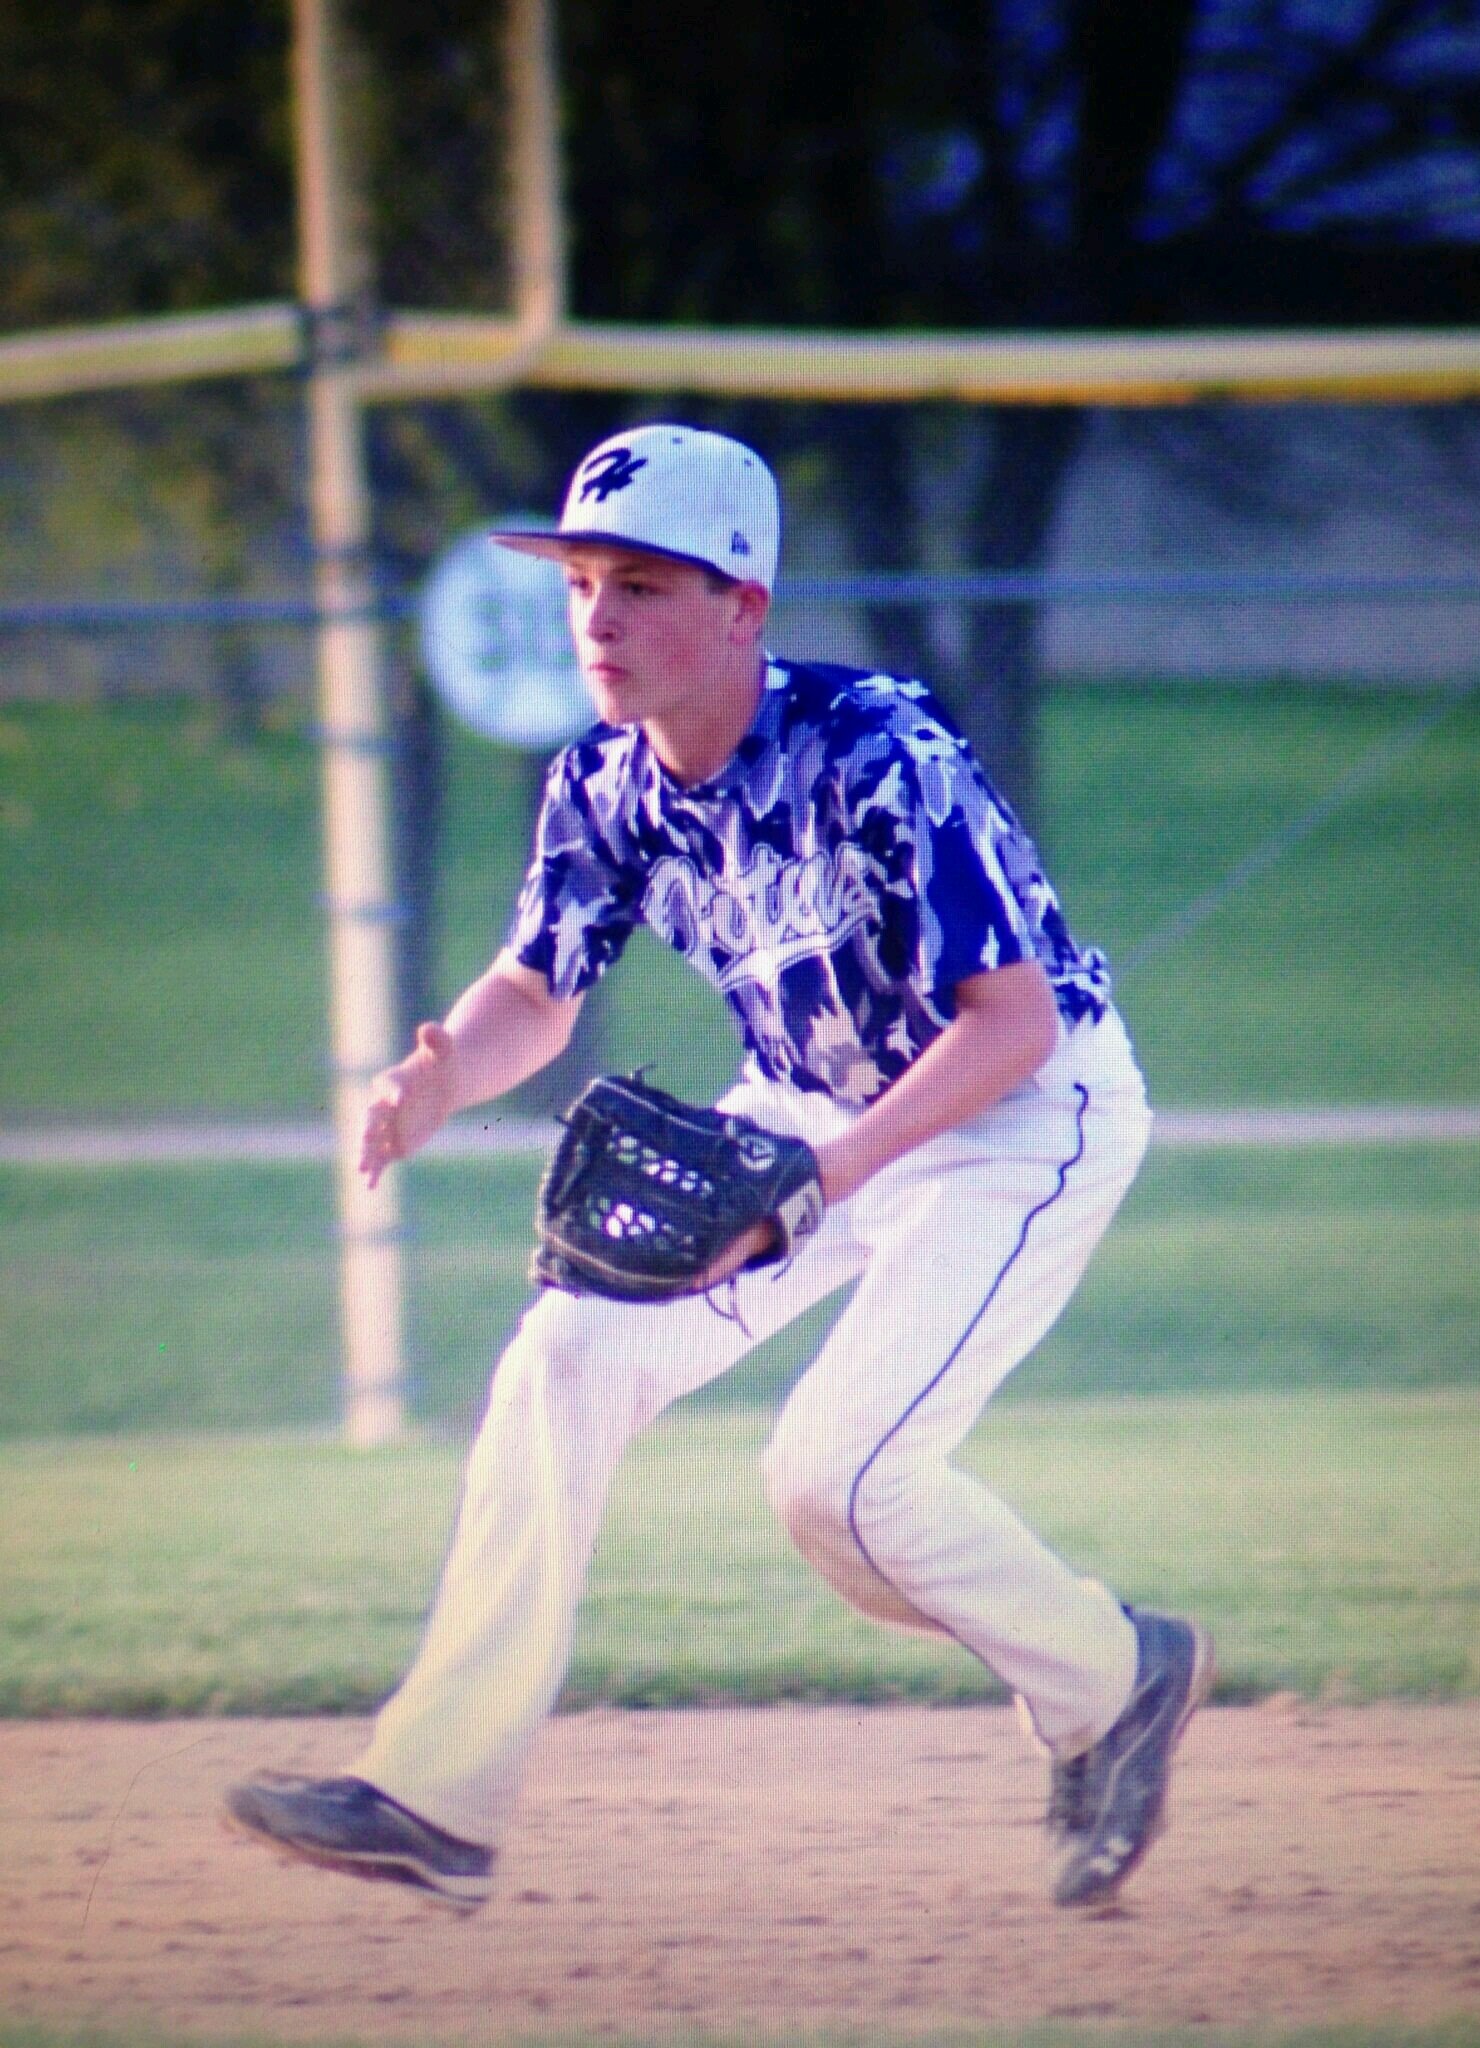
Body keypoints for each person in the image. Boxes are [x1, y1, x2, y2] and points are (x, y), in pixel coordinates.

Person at [226, 423, 1212, 1916]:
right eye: (581, 587)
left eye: (640, 585)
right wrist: (443, 1074)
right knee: (562, 1359)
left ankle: (1112, 1677)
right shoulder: (604, 789)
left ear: (742, 605)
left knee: (838, 1485)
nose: (599, 622)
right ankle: (434, 1800)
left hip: (1017, 1112)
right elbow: (537, 990)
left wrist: (822, 1179)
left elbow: (1007, 1024)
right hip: (810, 1105)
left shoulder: (880, 752)